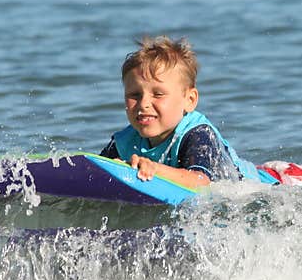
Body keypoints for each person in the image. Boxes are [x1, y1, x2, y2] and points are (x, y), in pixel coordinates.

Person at [100, 35, 278, 188]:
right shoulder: (124, 141)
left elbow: (201, 182)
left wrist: (155, 168)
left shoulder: (197, 133)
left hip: (264, 184)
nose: (144, 104)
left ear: (190, 100)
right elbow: (91, 169)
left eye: (158, 94)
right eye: (134, 95)